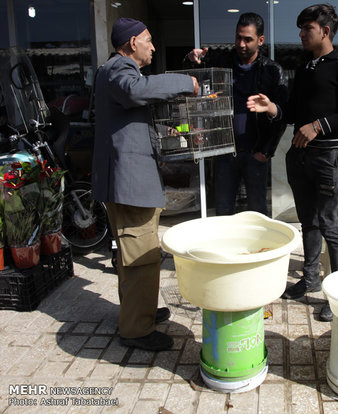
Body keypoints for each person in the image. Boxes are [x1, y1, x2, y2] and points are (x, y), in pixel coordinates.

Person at [247, 4, 338, 322]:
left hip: (327, 156)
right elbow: (295, 113)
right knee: (308, 221)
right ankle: (310, 278)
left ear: (325, 32)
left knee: (329, 224)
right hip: (299, 156)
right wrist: (272, 108)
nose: (301, 34)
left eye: (306, 29)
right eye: (301, 29)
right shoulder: (305, 67)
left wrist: (318, 126)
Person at [92, 17, 199, 351]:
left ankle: (140, 312)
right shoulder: (119, 70)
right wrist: (187, 82)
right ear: (132, 42)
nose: (153, 47)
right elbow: (133, 91)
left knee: (132, 255)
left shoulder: (116, 71)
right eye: (149, 40)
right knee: (141, 257)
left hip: (130, 181)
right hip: (129, 184)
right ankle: (137, 330)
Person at [186, 12, 288, 216]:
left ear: (260, 40)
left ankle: (260, 249)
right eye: (238, 37)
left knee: (257, 213)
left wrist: (266, 151)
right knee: (223, 212)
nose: (241, 44)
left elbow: (282, 116)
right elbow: (193, 78)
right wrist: (191, 59)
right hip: (225, 152)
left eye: (248, 39)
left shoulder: (272, 71)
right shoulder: (221, 62)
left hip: (255, 154)